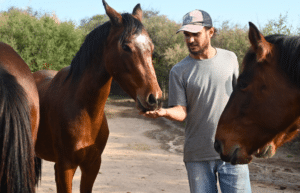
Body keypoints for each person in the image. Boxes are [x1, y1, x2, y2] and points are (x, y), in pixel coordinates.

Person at [141, 9, 252, 193]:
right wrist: (165, 112)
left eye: (195, 34)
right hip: (198, 155)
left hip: (233, 151)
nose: (190, 40)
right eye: (186, 35)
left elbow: (240, 101)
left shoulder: (230, 59)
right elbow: (181, 111)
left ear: (211, 32)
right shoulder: (179, 71)